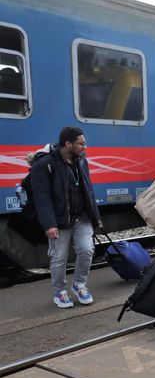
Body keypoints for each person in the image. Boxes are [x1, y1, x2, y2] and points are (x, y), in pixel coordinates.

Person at [30, 126, 102, 308]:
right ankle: (60, 291)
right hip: (59, 220)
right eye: (81, 143)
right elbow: (41, 197)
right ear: (68, 144)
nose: (85, 147)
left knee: (87, 250)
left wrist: (95, 215)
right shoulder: (45, 164)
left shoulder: (81, 161)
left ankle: (79, 285)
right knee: (59, 256)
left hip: (82, 216)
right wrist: (49, 224)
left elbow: (88, 189)